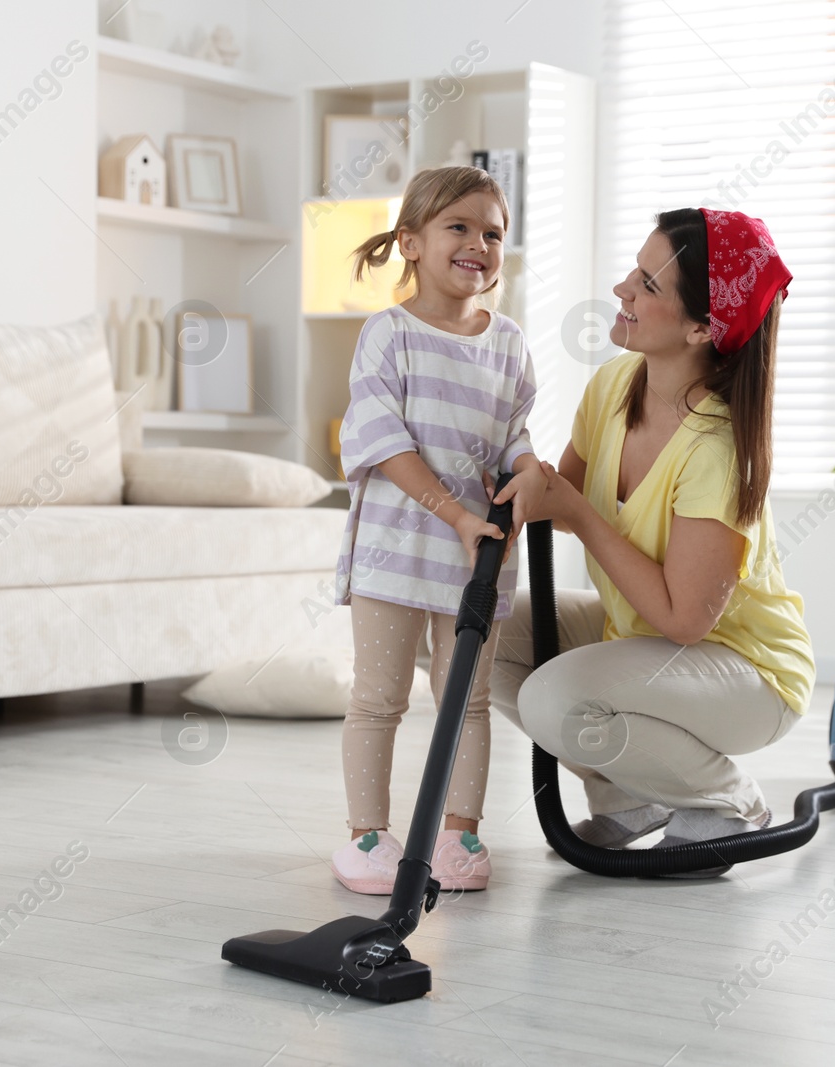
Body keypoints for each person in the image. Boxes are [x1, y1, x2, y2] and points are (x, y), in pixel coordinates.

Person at [493, 207, 815, 877]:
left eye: (647, 283)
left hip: (746, 672)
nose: (621, 291)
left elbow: (683, 618)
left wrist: (577, 511)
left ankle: (726, 801)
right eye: (633, 270)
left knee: (552, 697)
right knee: (479, 636)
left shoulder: (717, 445)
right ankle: (634, 796)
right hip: (638, 639)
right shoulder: (614, 385)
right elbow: (554, 495)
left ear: (703, 327)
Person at [331, 166, 547, 895]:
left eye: (493, 232)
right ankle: (367, 834)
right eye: (459, 226)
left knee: (469, 701)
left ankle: (461, 832)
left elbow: (514, 428)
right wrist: (453, 512)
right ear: (412, 242)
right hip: (397, 552)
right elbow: (382, 438)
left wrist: (528, 467)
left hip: (477, 557)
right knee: (379, 696)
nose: (478, 244)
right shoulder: (388, 334)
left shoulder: (509, 342)